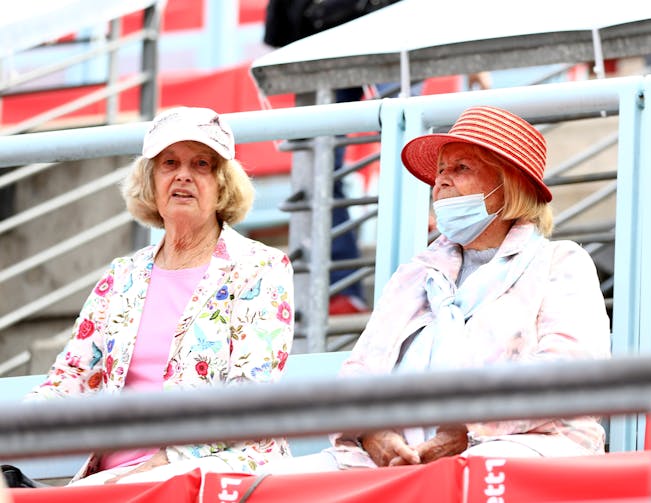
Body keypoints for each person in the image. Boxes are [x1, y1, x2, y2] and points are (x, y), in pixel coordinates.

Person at [263, 105, 611, 474]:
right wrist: (373, 434)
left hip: (522, 447)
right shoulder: (416, 275)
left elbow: (571, 374)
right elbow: (358, 374)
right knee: (273, 482)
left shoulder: (559, 262)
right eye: (441, 170)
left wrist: (470, 427)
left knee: (468, 472)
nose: (441, 181)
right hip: (393, 460)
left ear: (510, 186)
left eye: (462, 168)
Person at [25, 107, 295, 484]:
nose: (183, 174)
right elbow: (71, 377)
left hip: (217, 469)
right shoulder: (123, 276)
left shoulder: (260, 267)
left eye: (201, 164)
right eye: (170, 162)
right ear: (151, 181)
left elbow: (252, 392)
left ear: (223, 184)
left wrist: (171, 458)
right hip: (116, 476)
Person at [264, 0, 405, 315]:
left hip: (387, 26)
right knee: (321, 169)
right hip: (323, 36)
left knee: (408, 150)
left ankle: (413, 269)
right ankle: (344, 287)